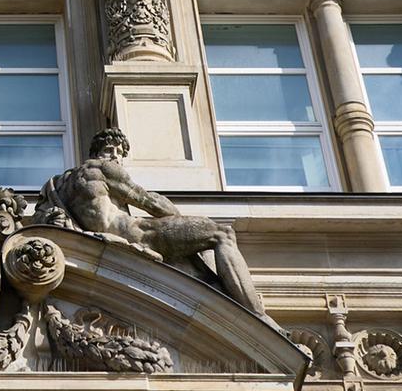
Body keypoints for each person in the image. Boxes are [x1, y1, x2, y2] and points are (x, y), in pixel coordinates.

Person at [38, 128, 267, 316]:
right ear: (101, 153)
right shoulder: (102, 169)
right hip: (142, 236)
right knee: (221, 234)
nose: (116, 157)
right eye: (113, 151)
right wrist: (180, 220)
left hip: (107, 241)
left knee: (205, 277)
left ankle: (221, 292)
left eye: (119, 153)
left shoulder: (59, 184)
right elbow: (153, 204)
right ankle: (258, 317)